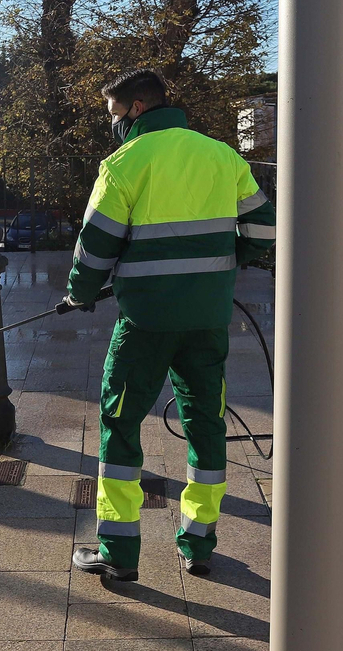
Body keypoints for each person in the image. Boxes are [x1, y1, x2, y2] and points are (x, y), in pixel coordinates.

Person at [63, 69, 276, 581]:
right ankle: (198, 543)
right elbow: (264, 230)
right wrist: (222, 265)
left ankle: (117, 553)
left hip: (145, 323)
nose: (111, 123)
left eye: (114, 113)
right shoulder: (223, 156)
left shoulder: (123, 164)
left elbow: (96, 247)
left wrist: (80, 293)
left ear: (137, 108)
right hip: (207, 320)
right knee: (206, 425)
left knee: (120, 424)